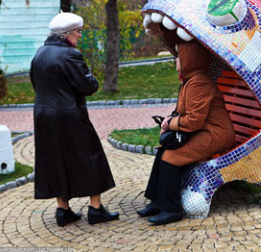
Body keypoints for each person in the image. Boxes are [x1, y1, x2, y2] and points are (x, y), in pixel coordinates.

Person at [30, 12, 119, 227]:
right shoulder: (70, 55)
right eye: (78, 32)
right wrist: (92, 77)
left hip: (43, 114)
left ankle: (63, 210)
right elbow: (88, 86)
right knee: (90, 155)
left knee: (55, 158)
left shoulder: (40, 53)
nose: (80, 36)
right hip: (69, 115)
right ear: (67, 34)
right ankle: (96, 208)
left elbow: (36, 83)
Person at [137, 40, 235, 225]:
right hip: (204, 131)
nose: (175, 61)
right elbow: (183, 114)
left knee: (171, 157)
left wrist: (170, 124)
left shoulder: (198, 83)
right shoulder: (189, 81)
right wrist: (168, 123)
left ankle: (171, 209)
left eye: (178, 57)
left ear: (190, 59)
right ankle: (157, 201)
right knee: (163, 149)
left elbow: (193, 121)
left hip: (216, 135)